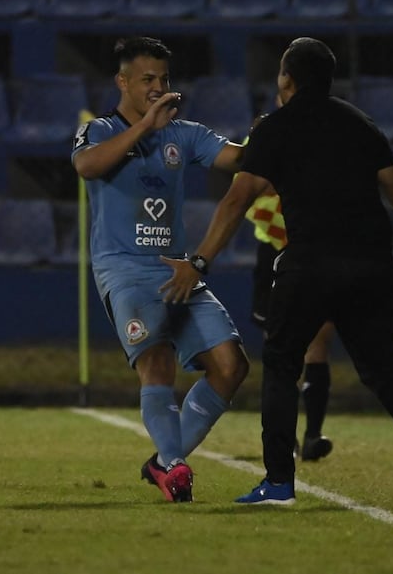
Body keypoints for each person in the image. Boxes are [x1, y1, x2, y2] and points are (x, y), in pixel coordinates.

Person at [160, 37, 393, 512]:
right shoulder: (360, 124)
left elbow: (236, 201)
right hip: (372, 264)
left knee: (282, 362)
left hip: (311, 264)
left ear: (287, 79)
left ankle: (279, 481)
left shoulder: (275, 129)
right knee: (383, 368)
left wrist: (199, 262)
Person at [71, 36, 249, 503]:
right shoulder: (101, 130)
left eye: (164, 79)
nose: (157, 87)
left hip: (176, 268)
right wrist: (145, 127)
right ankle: (175, 469)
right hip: (123, 268)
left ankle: (164, 461)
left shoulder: (184, 134)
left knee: (231, 365)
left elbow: (235, 156)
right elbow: (87, 167)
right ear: (122, 81)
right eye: (147, 79)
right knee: (158, 360)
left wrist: (274, 132)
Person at [245, 180, 334, 462]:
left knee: (318, 341)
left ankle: (312, 436)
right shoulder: (260, 140)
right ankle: (284, 438)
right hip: (276, 250)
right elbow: (248, 187)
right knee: (278, 346)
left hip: (316, 248)